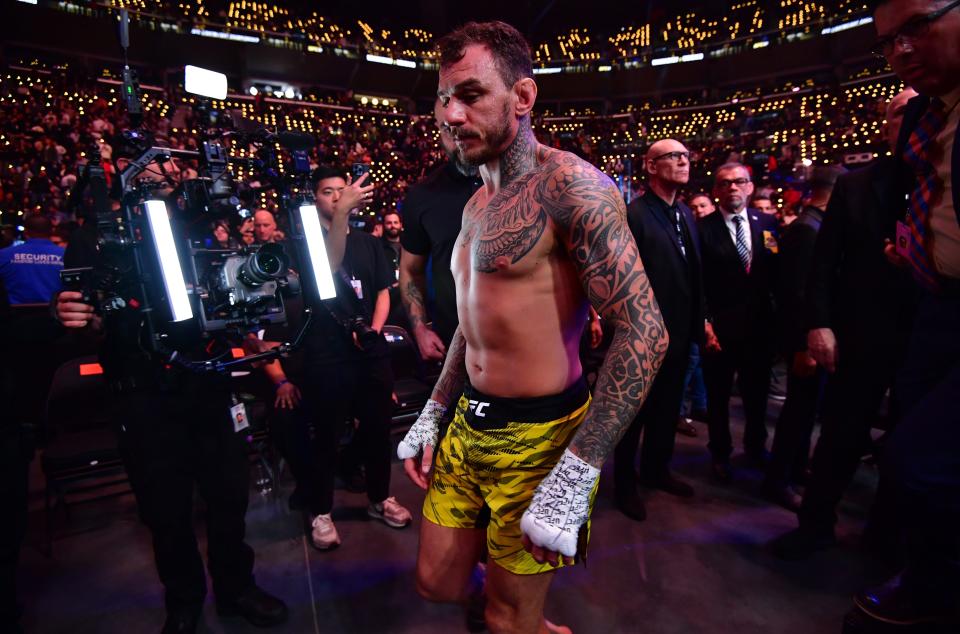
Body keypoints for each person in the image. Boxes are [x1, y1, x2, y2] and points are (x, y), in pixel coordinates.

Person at [397, 22, 667, 634]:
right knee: (435, 582)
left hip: (542, 437)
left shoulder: (572, 186)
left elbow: (645, 332)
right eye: (442, 99)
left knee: (507, 620)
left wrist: (578, 470)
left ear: (522, 98)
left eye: (470, 95)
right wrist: (435, 409)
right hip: (471, 421)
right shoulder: (473, 206)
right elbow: (471, 324)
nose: (450, 114)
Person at [53, 160, 288, 633]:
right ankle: (183, 599)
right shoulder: (96, 236)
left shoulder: (200, 228)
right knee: (165, 510)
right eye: (142, 167)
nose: (157, 173)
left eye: (169, 166)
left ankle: (235, 587)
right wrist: (80, 319)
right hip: (143, 396)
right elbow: (84, 329)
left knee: (227, 498)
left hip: (209, 384)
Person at [770, 88, 917, 559]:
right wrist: (819, 324)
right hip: (861, 333)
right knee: (840, 435)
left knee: (913, 442)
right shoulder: (856, 186)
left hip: (931, 336)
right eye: (902, 112)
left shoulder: (948, 183)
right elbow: (824, 264)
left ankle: (891, 536)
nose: (914, 119)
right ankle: (814, 526)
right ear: (887, 124)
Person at [852, 0, 960, 625]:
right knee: (910, 452)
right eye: (889, 41)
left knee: (922, 458)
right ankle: (926, 585)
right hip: (935, 304)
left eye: (917, 26)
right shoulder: (927, 115)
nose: (902, 50)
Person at [272, 165, 412, 551]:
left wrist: (374, 330)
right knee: (328, 435)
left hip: (369, 349)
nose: (336, 197)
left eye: (341, 191)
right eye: (327, 192)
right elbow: (327, 270)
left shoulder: (370, 243)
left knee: (377, 428)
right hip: (326, 353)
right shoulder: (305, 244)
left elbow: (383, 290)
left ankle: (380, 497)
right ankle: (321, 511)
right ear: (315, 198)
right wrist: (344, 215)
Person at [613, 139, 703, 522]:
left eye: (686, 156)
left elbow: (693, 276)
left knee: (667, 409)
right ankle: (625, 485)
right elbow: (621, 277)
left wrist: (701, 324)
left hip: (681, 333)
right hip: (642, 335)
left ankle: (656, 470)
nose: (683, 161)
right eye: (673, 156)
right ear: (651, 166)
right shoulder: (634, 214)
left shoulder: (685, 213)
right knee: (634, 414)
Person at [763, 165, 844, 511]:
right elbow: (796, 294)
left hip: (812, 339)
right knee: (798, 412)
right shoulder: (807, 230)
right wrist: (803, 346)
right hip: (805, 341)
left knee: (806, 411)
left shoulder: (817, 225)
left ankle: (794, 469)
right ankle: (778, 479)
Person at [699, 163, 780, 482]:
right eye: (725, 183)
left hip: (759, 329)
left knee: (757, 393)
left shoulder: (768, 223)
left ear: (749, 187)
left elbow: (775, 275)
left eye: (739, 182)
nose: (732, 187)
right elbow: (700, 283)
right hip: (719, 330)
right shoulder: (702, 229)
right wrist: (705, 323)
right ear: (716, 190)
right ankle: (720, 452)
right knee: (718, 397)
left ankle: (756, 446)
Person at [399, 104, 483, 362]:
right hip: (457, 347)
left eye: (463, 127)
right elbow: (410, 269)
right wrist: (420, 328)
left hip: (529, 347)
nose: (457, 137)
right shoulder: (422, 196)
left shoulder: (526, 182)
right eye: (447, 129)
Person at [0, 214, 64, 305]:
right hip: (55, 314)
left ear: (25, 232)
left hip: (15, 315)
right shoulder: (65, 254)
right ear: (52, 231)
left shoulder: (4, 255)